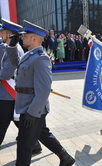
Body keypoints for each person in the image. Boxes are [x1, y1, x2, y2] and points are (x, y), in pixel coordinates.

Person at [6, 20, 75, 166]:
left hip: (32, 107)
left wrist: (32, 112)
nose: (22, 37)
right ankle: (65, 157)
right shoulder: (29, 55)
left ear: (34, 38)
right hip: (28, 105)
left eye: (25, 35)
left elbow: (44, 90)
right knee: (43, 134)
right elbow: (15, 64)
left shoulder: (41, 59)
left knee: (24, 145)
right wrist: (12, 47)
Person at [0, 18, 42, 154]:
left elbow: (6, 73)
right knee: (18, 121)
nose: (0, 35)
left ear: (9, 34)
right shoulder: (8, 47)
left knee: (3, 123)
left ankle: (37, 143)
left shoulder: (15, 49)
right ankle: (35, 143)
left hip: (9, 92)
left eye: (3, 32)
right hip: (8, 92)